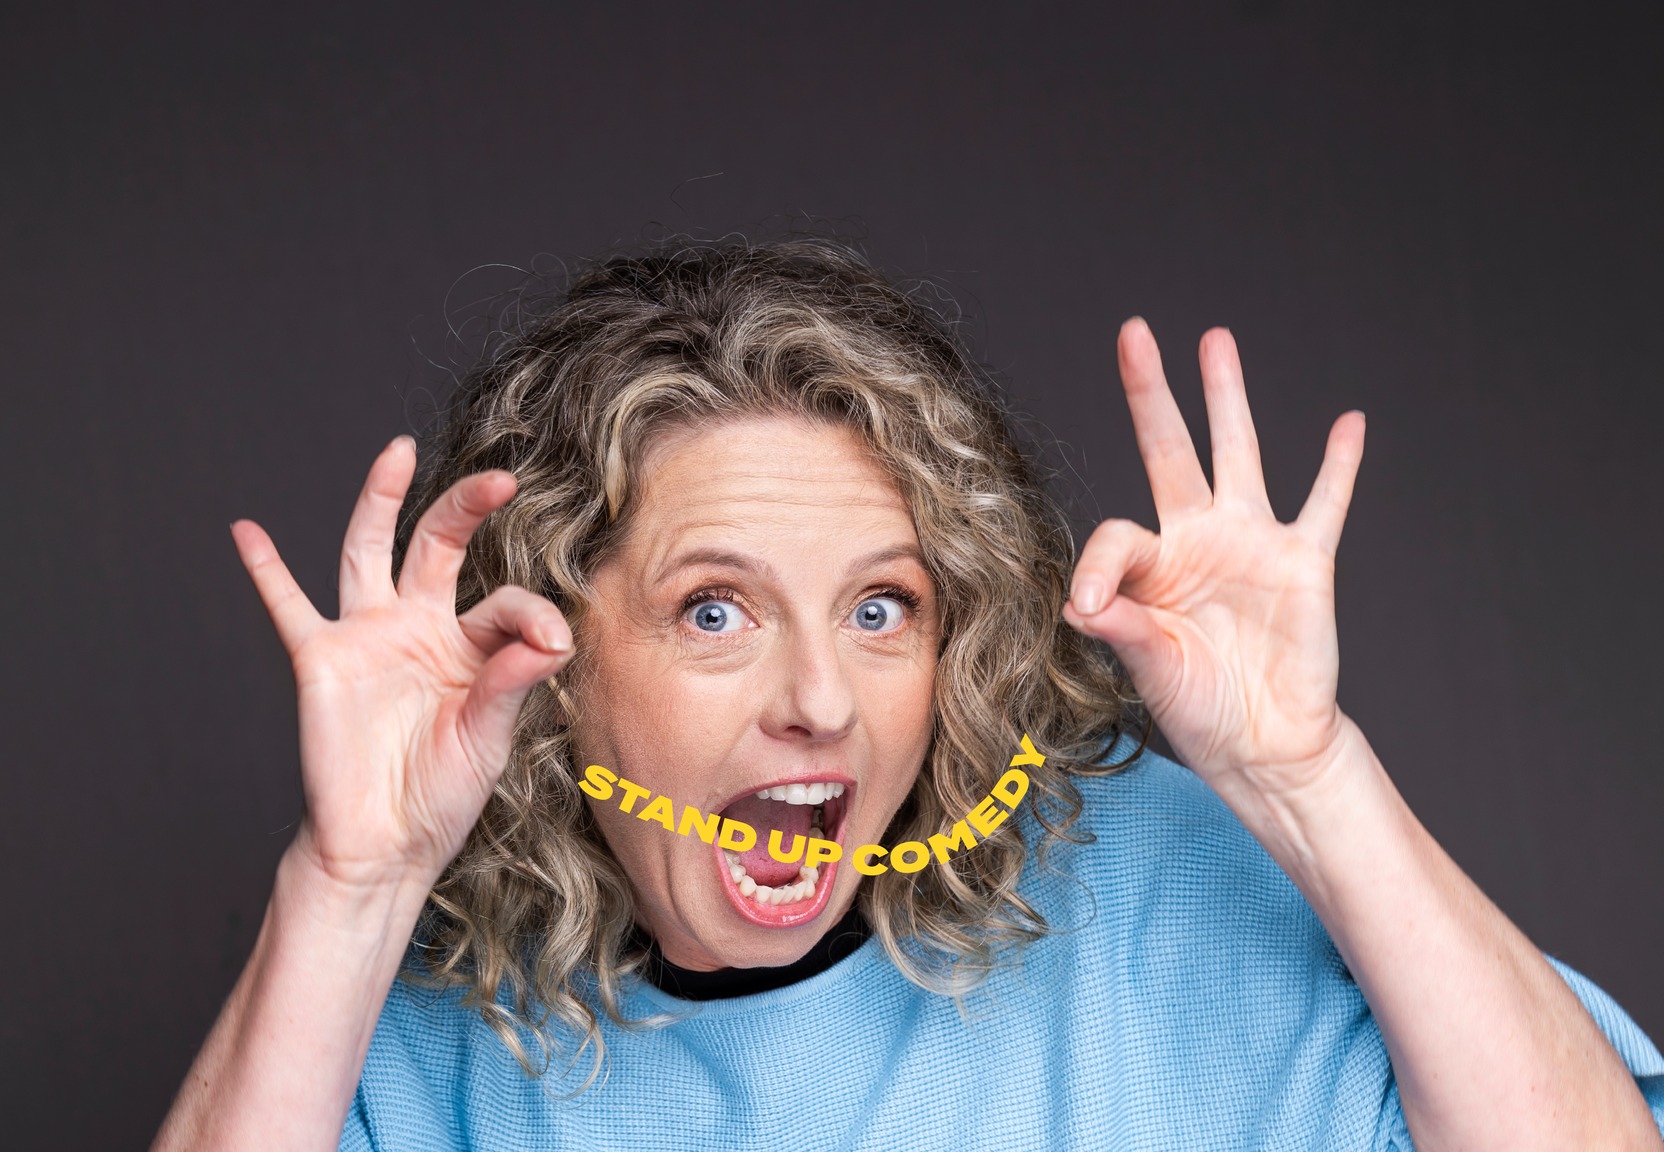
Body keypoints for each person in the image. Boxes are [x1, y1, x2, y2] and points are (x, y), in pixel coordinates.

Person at [150, 239, 1664, 1150]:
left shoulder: (1144, 895)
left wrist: (1306, 772)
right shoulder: (422, 1053)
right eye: (716, 610)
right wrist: (349, 889)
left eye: (885, 608)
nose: (823, 696)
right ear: (550, 658)